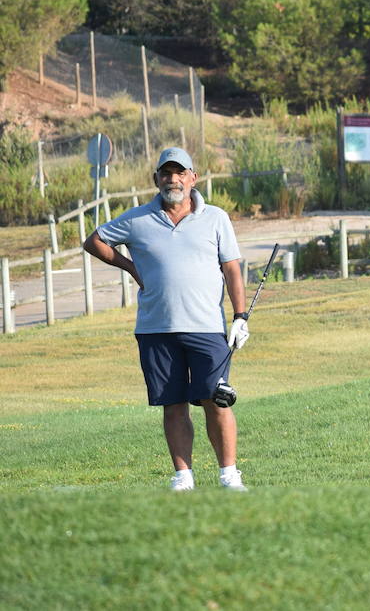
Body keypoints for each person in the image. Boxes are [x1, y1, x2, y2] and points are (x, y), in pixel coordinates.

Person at [83, 147, 251, 491]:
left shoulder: (216, 217)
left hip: (206, 327)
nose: (172, 179)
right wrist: (130, 266)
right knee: (172, 405)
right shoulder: (137, 219)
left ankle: (229, 475)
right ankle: (183, 476)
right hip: (155, 328)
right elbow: (94, 241)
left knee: (216, 401)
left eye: (179, 173)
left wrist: (239, 316)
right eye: (165, 173)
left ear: (193, 177)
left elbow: (231, 268)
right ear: (156, 179)